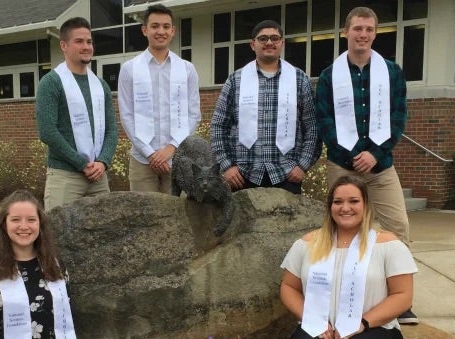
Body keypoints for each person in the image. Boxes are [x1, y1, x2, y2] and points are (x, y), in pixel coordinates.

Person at [314, 7, 417, 324]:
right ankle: (340, 296)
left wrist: (374, 151)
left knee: (397, 228)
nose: (363, 34)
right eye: (357, 28)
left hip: (381, 167)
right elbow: (324, 120)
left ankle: (400, 300)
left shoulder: (392, 72)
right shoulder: (331, 75)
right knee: (340, 230)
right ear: (345, 32)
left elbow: (398, 117)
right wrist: (357, 150)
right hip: (342, 166)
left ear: (375, 33)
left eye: (369, 29)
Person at [280, 175, 417, 339]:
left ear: (366, 205)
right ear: (330, 206)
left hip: (372, 327)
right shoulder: (307, 244)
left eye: (353, 201)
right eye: (338, 202)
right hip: (321, 329)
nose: (345, 208)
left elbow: (403, 294)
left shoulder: (388, 245)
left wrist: (363, 323)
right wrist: (312, 320)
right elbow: (289, 287)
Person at [210, 20, 319, 195]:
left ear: (282, 43)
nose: (269, 42)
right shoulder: (235, 80)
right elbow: (218, 126)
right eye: (263, 38)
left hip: (287, 174)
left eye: (275, 38)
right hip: (243, 175)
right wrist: (227, 166)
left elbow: (312, 126)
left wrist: (302, 165)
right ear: (253, 44)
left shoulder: (299, 79)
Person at [118, 4, 201, 194]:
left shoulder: (187, 69)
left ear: (173, 31)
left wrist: (171, 149)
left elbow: (194, 114)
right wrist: (150, 153)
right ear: (144, 30)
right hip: (142, 160)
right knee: (143, 216)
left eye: (166, 26)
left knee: (178, 217)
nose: (160, 31)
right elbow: (127, 115)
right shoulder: (129, 69)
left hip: (178, 158)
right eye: (155, 26)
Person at [36, 17, 118, 210]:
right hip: (65, 177)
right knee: (58, 236)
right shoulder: (51, 82)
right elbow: (47, 131)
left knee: (104, 234)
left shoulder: (101, 85)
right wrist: (81, 163)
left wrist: (103, 162)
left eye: (89, 42)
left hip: (98, 177)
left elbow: (112, 129)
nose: (86, 46)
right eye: (79, 41)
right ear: (64, 45)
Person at [0, 190, 75, 338]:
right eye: (16, 219)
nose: (24, 226)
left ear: (40, 224)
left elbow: (66, 318)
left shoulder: (56, 267)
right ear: (4, 224)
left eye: (31, 220)